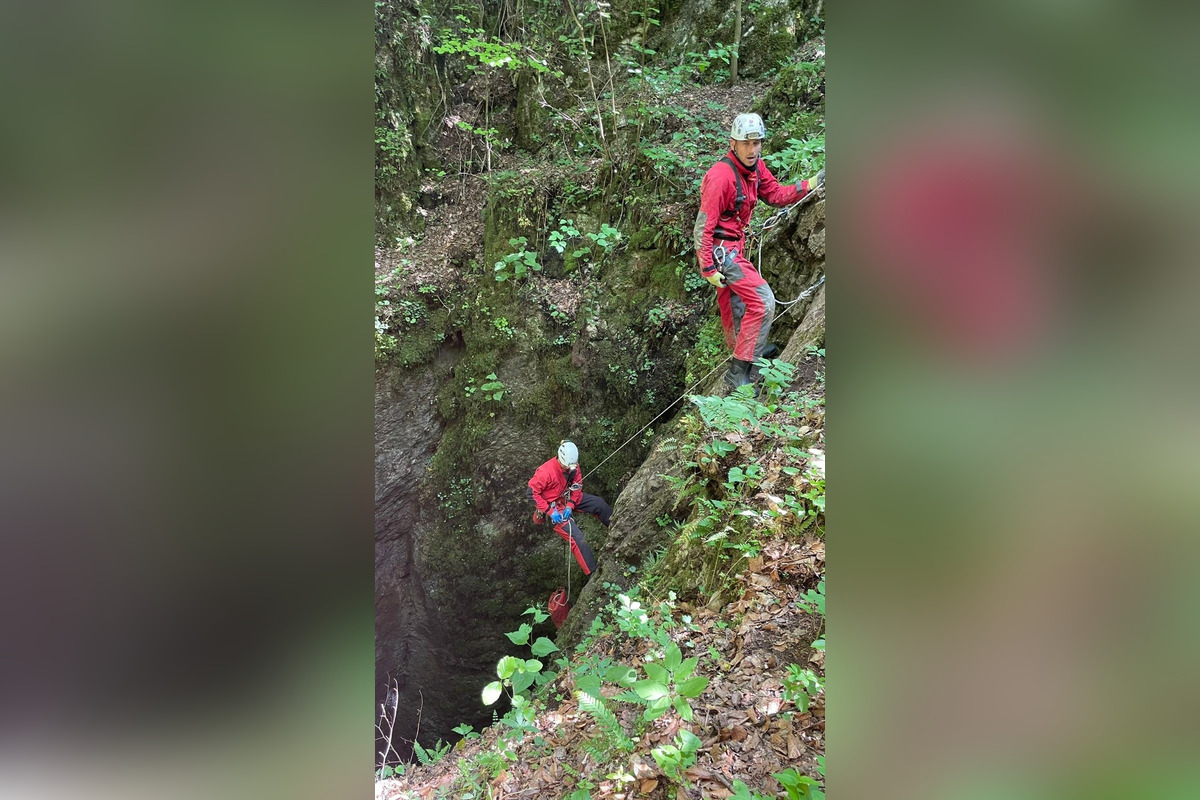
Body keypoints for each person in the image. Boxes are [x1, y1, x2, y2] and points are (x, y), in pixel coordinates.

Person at [693, 112, 825, 387]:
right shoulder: (720, 178)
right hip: (722, 252)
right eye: (746, 144)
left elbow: (775, 194)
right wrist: (707, 267)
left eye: (757, 143)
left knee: (736, 305)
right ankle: (738, 370)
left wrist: (811, 183)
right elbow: (703, 225)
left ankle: (749, 350)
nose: (752, 150)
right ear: (733, 143)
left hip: (734, 247)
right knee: (762, 301)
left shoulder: (755, 169)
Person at [527, 440, 611, 576]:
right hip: (553, 507)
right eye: (566, 466)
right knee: (577, 537)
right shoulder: (545, 472)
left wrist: (570, 505)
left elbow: (577, 485)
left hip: (568, 497)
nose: (568, 469)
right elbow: (532, 494)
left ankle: (616, 526)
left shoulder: (573, 465)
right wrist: (549, 511)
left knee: (599, 504)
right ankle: (592, 573)